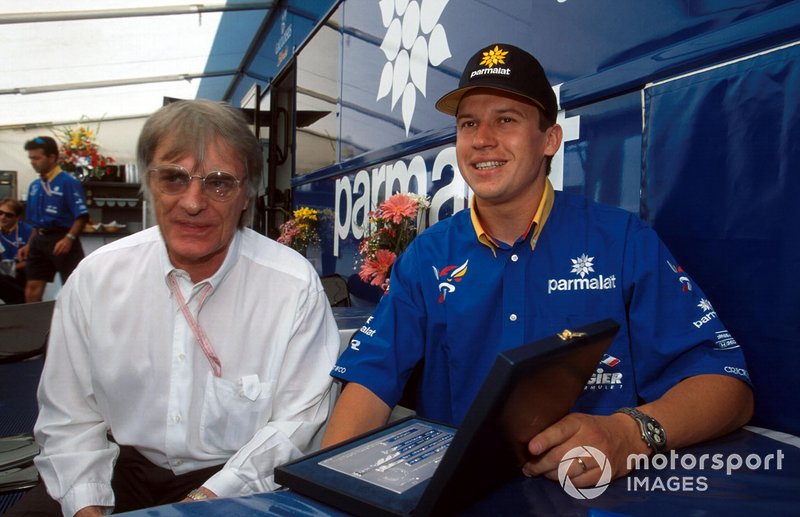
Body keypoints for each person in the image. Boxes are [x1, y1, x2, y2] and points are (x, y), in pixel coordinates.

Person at [322, 44, 754, 487]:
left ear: (550, 139)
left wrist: (628, 435)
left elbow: (727, 387)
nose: (483, 138)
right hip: (457, 500)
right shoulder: (426, 257)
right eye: (469, 123)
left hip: (595, 501)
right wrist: (321, 496)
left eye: (506, 120)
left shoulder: (622, 241)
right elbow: (370, 385)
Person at [8, 100, 339, 517]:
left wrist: (202, 503)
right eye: (174, 178)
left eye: (219, 183)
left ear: (246, 194)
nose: (193, 202)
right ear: (150, 184)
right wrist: (85, 505)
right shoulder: (96, 278)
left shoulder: (292, 285)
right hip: (118, 465)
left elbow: (297, 423)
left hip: (238, 475)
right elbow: (68, 415)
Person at [18, 136, 89, 302]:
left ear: (52, 157)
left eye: (36, 158)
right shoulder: (35, 185)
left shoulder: (68, 182)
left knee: (74, 288)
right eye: (30, 158)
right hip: (39, 240)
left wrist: (69, 239)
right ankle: (33, 327)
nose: (32, 162)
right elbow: (35, 223)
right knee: (32, 288)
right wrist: (29, 244)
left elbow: (82, 216)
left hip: (62, 239)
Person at [0, 198, 34, 304]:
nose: (3, 217)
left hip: (22, 272)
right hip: (3, 272)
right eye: (0, 213)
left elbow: (35, 259)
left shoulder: (29, 231)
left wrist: (13, 267)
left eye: (8, 215)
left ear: (18, 217)